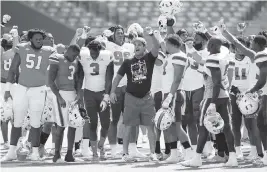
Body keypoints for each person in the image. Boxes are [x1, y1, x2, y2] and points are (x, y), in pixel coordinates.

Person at [181, 37, 238, 167]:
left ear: (211, 45)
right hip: (224, 95)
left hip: (212, 95)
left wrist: (212, 102)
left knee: (202, 126)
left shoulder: (213, 58)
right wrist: (192, 51)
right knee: (227, 127)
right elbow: (204, 63)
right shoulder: (222, 54)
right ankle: (233, 157)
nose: (206, 47)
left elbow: (216, 82)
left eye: (209, 44)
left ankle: (196, 158)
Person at [1, 28, 56, 161]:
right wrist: (8, 88)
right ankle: (12, 151)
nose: (39, 40)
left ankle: (35, 152)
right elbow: (13, 69)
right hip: (22, 88)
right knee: (17, 120)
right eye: (36, 38)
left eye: (41, 38)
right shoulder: (22, 48)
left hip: (39, 89)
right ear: (30, 39)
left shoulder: (49, 51)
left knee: (36, 122)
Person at [110, 28, 161, 162]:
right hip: (131, 98)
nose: (136, 46)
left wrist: (151, 34)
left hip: (147, 98)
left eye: (139, 44)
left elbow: (157, 46)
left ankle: (152, 153)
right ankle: (125, 155)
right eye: (135, 45)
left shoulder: (149, 58)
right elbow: (117, 78)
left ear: (145, 47)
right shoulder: (127, 62)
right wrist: (112, 92)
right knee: (128, 126)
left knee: (150, 126)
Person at [79, 40, 114, 161]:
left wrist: (106, 95)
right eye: (91, 53)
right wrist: (79, 92)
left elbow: (109, 78)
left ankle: (102, 144)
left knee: (106, 123)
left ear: (100, 51)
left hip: (102, 92)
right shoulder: (84, 55)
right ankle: (94, 152)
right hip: (89, 92)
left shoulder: (106, 56)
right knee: (92, 123)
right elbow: (80, 75)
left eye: (95, 53)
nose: (93, 55)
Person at [47, 44, 81, 162]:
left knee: (73, 125)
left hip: (72, 94)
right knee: (60, 126)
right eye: (73, 54)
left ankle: (69, 154)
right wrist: (59, 97)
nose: (74, 57)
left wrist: (78, 94)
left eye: (76, 55)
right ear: (67, 50)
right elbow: (50, 81)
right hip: (61, 93)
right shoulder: (57, 58)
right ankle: (56, 155)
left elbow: (77, 79)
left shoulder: (76, 61)